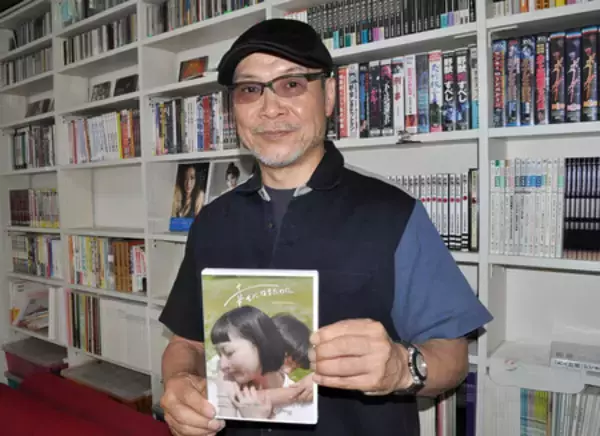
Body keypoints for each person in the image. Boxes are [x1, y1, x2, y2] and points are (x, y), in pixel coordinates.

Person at [158, 18, 493, 436]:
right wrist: (178, 382)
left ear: (329, 95)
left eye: (291, 84)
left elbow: (452, 355)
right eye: (250, 90)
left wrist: (401, 367)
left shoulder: (393, 214)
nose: (270, 108)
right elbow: (187, 343)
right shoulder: (211, 221)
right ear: (234, 110)